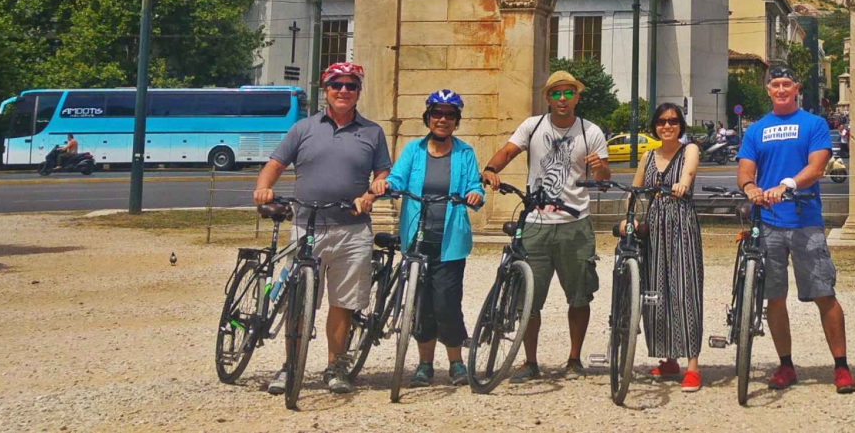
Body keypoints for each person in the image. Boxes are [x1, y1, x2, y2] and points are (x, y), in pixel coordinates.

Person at [253, 61, 391, 396]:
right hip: (307, 224)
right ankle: (291, 364)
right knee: (299, 300)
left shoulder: (372, 132)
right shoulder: (303, 128)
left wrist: (372, 192)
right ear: (325, 90)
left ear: (358, 92)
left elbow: (382, 173)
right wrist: (263, 188)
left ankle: (335, 365)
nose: (344, 91)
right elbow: (275, 164)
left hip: (352, 228)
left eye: (351, 86)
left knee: (343, 302)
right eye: (337, 86)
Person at [480, 69, 611, 380]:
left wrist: (600, 167)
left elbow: (603, 179)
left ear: (577, 97)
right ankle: (530, 361)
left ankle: (574, 359)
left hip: (574, 222)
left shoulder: (590, 131)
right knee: (529, 297)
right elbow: (508, 151)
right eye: (556, 93)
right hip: (536, 221)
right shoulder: (533, 125)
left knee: (579, 296)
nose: (562, 98)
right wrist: (489, 168)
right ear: (548, 98)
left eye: (568, 92)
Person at [736, 65, 855, 394]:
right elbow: (745, 171)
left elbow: (816, 167)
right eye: (775, 84)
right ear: (768, 90)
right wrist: (750, 189)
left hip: (805, 220)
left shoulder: (813, 124)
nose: (781, 89)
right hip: (769, 223)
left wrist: (785, 184)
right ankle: (785, 364)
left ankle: (841, 365)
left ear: (796, 87)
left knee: (823, 293)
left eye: (786, 83)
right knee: (774, 297)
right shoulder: (756, 130)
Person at [386, 89, 485, 387]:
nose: (443, 119)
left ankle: (455, 362)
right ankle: (424, 365)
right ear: (428, 117)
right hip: (417, 239)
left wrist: (474, 195)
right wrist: (386, 186)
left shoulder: (464, 152)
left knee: (447, 303)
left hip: (450, 240)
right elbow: (397, 178)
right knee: (421, 304)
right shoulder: (413, 150)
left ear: (456, 121)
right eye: (437, 114)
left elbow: (476, 187)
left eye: (450, 115)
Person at [633, 102, 704, 391]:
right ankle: (669, 358)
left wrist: (683, 184)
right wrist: (631, 219)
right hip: (652, 228)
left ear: (680, 125)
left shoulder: (690, 150)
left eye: (673, 121)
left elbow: (687, 173)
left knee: (685, 290)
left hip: (680, 225)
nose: (667, 126)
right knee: (656, 290)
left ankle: (693, 366)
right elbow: (637, 191)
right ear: (655, 125)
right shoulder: (648, 156)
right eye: (662, 121)